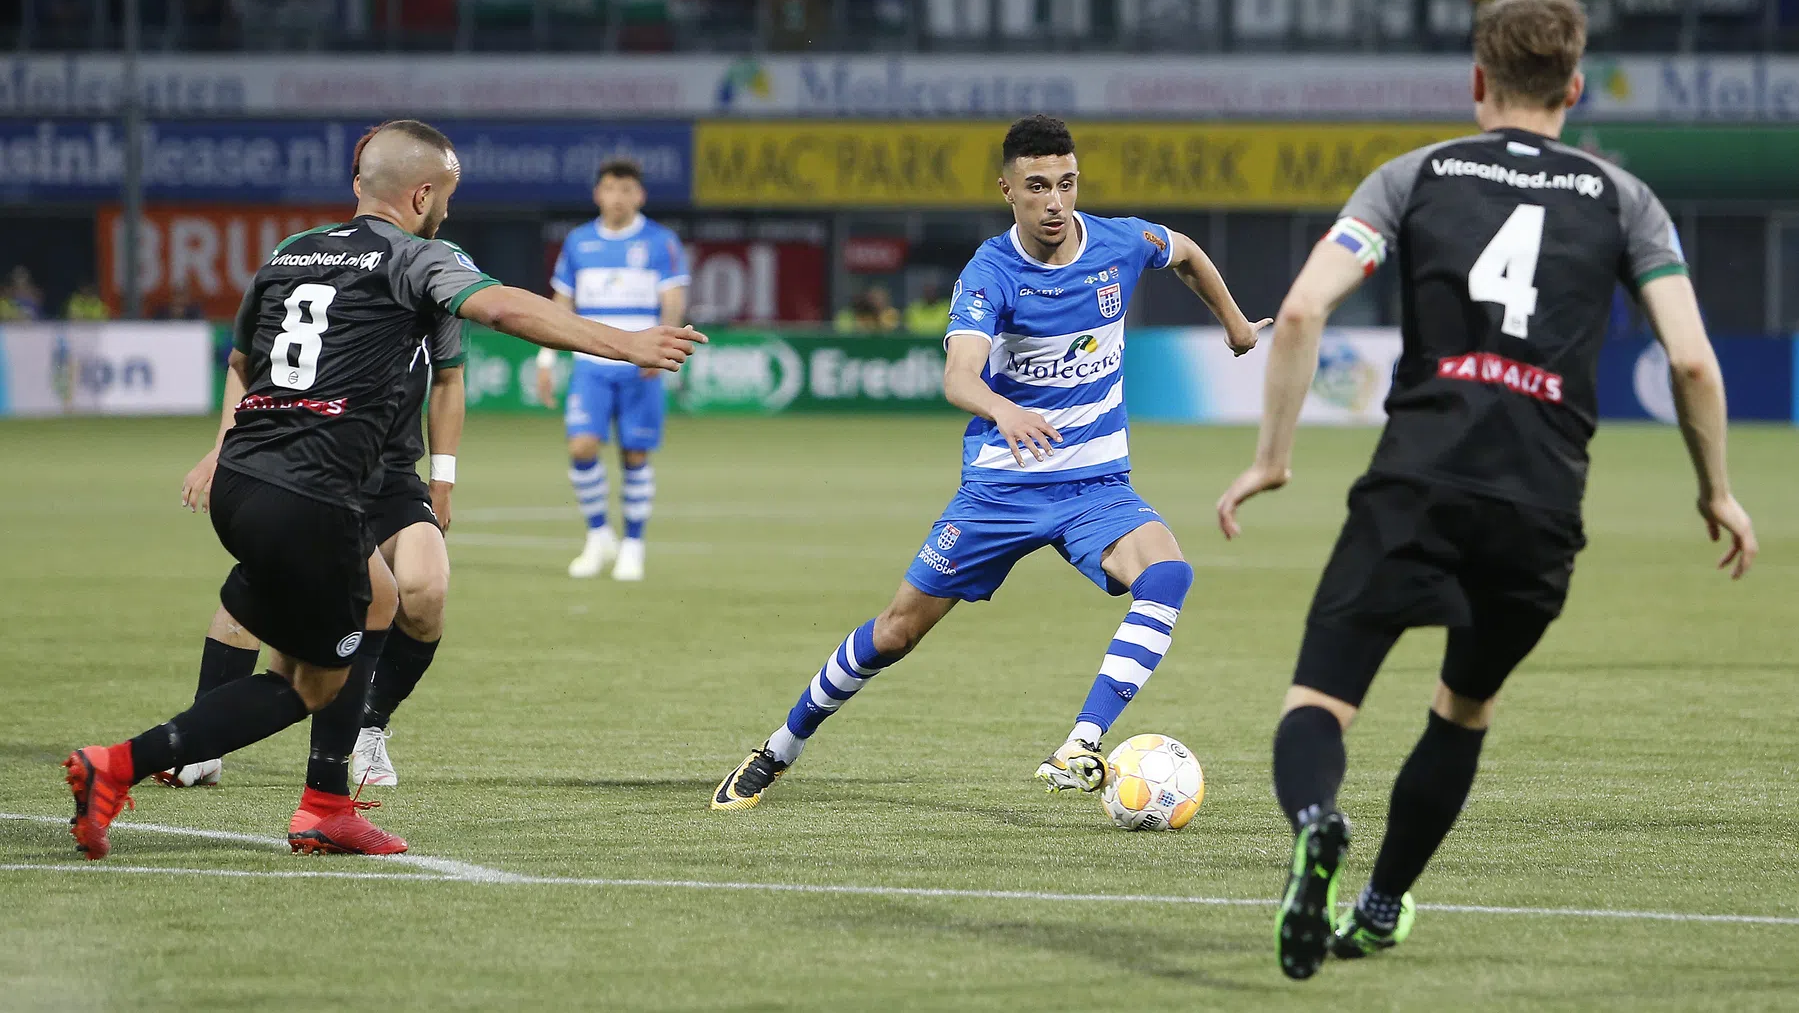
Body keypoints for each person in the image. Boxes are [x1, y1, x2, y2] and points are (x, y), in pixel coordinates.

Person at [1212, 0, 1758, 981]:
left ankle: (1314, 820)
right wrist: (1712, 488)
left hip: (1414, 476)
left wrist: (1269, 458)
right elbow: (1690, 363)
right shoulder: (1623, 199)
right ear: (1574, 88)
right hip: (1537, 498)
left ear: (1475, 84)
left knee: (1318, 700)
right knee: (1463, 706)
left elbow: (1296, 312)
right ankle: (1377, 904)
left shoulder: (1408, 177)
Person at [63, 119, 704, 861]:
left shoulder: (289, 254)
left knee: (380, 597)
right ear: (423, 194)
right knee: (309, 681)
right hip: (313, 488)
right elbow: (503, 306)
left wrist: (218, 449)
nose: (448, 213)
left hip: (245, 476)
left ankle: (324, 804)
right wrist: (624, 343)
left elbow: (243, 361)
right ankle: (122, 765)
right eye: (447, 199)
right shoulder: (415, 258)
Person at [713, 114, 1269, 811]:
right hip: (1000, 492)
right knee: (895, 631)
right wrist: (1002, 410)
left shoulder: (1119, 241)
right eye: (1037, 186)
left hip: (1095, 486)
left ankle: (1080, 743)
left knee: (1168, 572)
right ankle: (778, 747)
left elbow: (1183, 250)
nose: (1054, 202)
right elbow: (958, 377)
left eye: (1065, 183)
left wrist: (1236, 323)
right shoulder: (990, 272)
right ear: (1006, 188)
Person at [163, 128, 469, 815]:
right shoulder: (303, 256)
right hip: (313, 457)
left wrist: (442, 477)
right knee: (269, 595)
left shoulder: (431, 263)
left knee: (423, 590)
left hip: (388, 468)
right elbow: (251, 364)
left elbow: (448, 376)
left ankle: (366, 727)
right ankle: (204, 740)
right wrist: (224, 447)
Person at [537, 159, 689, 583]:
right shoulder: (579, 242)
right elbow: (560, 303)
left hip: (640, 364)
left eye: (626, 190)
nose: (617, 197)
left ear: (639, 196)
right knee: (582, 448)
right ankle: (599, 534)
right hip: (591, 364)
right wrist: (546, 358)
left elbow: (673, 297)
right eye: (609, 188)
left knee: (635, 455)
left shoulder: (661, 241)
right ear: (597, 194)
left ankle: (634, 545)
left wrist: (663, 346)